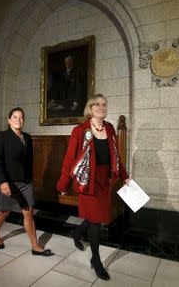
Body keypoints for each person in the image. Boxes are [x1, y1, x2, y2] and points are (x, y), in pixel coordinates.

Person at [56, 94, 130, 280]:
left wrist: (124, 176)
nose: (101, 107)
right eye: (97, 104)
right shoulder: (80, 130)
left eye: (104, 104)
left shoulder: (110, 128)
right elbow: (69, 159)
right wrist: (63, 184)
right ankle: (95, 260)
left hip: (105, 180)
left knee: (95, 216)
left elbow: (116, 156)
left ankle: (77, 233)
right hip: (88, 180)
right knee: (96, 220)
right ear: (90, 108)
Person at [0, 107, 54, 256]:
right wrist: (2, 181)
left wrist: (30, 180)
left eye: (21, 117)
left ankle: (35, 246)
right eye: (15, 117)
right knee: (5, 212)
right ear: (9, 120)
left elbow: (29, 161)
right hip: (7, 181)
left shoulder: (27, 137)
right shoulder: (1, 136)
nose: (18, 120)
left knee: (28, 213)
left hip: (24, 183)